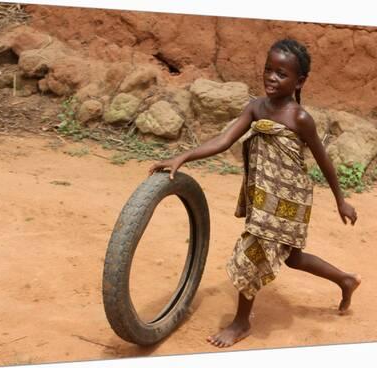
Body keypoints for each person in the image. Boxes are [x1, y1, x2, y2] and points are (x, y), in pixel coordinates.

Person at [148, 39, 361, 348]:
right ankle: (345, 280)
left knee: (252, 253)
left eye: (282, 73)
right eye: (268, 70)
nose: (272, 78)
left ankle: (241, 322)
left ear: (299, 81)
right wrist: (182, 157)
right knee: (293, 258)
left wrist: (341, 200)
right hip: (263, 194)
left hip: (289, 196)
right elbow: (223, 140)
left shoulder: (299, 118)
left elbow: (323, 159)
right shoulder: (255, 106)